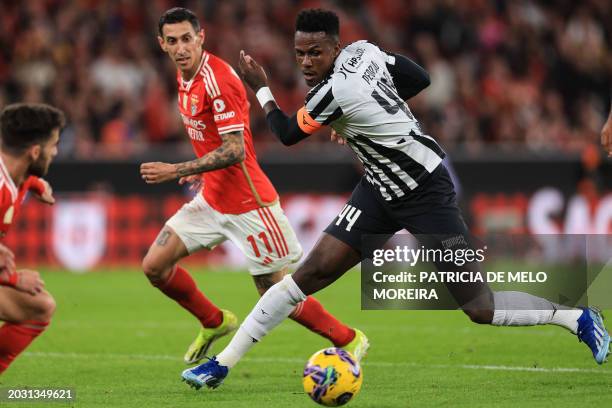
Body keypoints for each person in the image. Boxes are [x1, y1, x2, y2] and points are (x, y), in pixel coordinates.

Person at [182, 8, 610, 389]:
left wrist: (262, 89)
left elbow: (287, 134)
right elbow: (416, 77)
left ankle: (576, 317)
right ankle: (220, 365)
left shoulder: (332, 94)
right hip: (378, 190)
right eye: (300, 53)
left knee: (479, 307)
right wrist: (374, 112)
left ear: (335, 46)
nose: (307, 62)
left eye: (316, 52)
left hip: (426, 191)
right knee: (304, 277)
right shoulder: (364, 52)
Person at [139, 7, 368, 367]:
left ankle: (349, 338)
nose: (181, 47)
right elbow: (214, 140)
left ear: (201, 38)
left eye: (187, 39)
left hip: (250, 205)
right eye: (172, 41)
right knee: (154, 265)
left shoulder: (218, 80)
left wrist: (178, 169)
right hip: (212, 198)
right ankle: (215, 321)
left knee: (276, 293)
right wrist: (201, 170)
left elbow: (234, 150)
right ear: (162, 45)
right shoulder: (184, 77)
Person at [0, 102, 64, 374]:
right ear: (35, 151)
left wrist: (34, 183)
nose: (56, 151)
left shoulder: (13, 177)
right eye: (53, 145)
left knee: (38, 306)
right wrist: (12, 279)